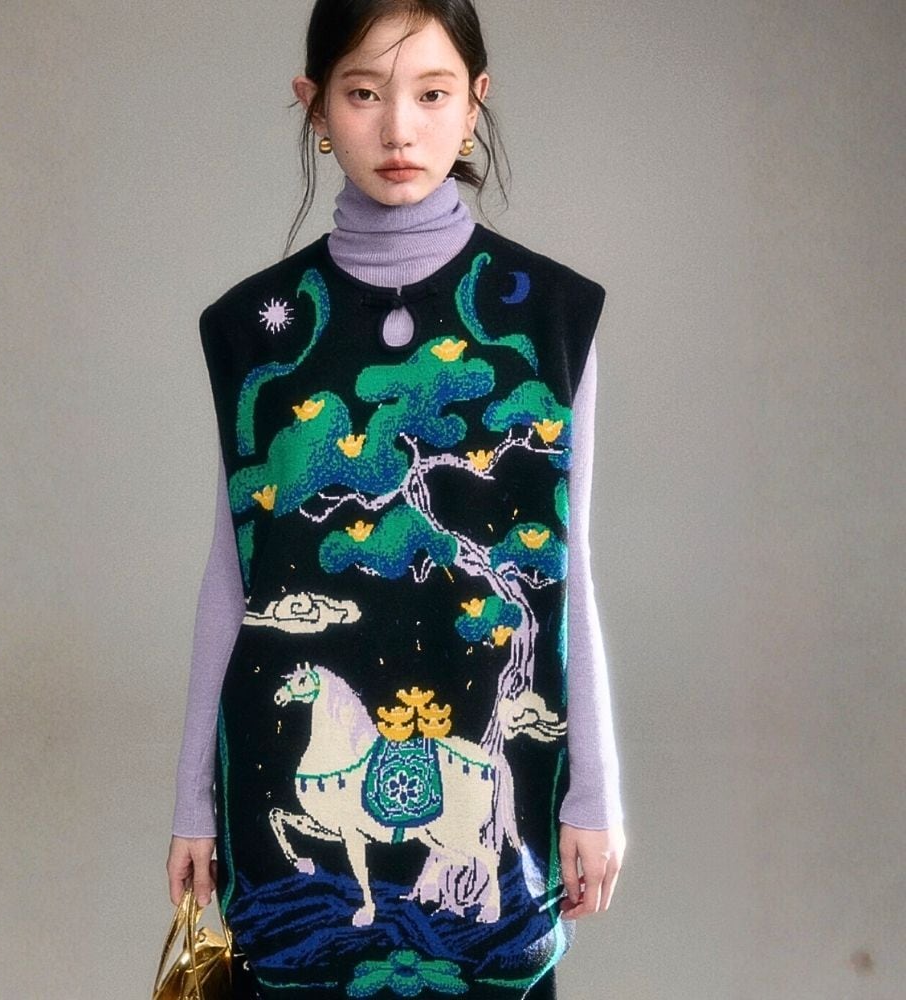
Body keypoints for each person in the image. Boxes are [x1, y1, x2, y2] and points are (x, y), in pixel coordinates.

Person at [166, 2, 626, 997]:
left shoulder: (552, 317)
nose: (398, 128)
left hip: (510, 763)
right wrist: (193, 802)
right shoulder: (252, 331)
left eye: (432, 94)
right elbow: (230, 575)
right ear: (315, 107)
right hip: (274, 769)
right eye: (364, 93)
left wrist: (594, 792)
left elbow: (569, 567)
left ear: (475, 105)